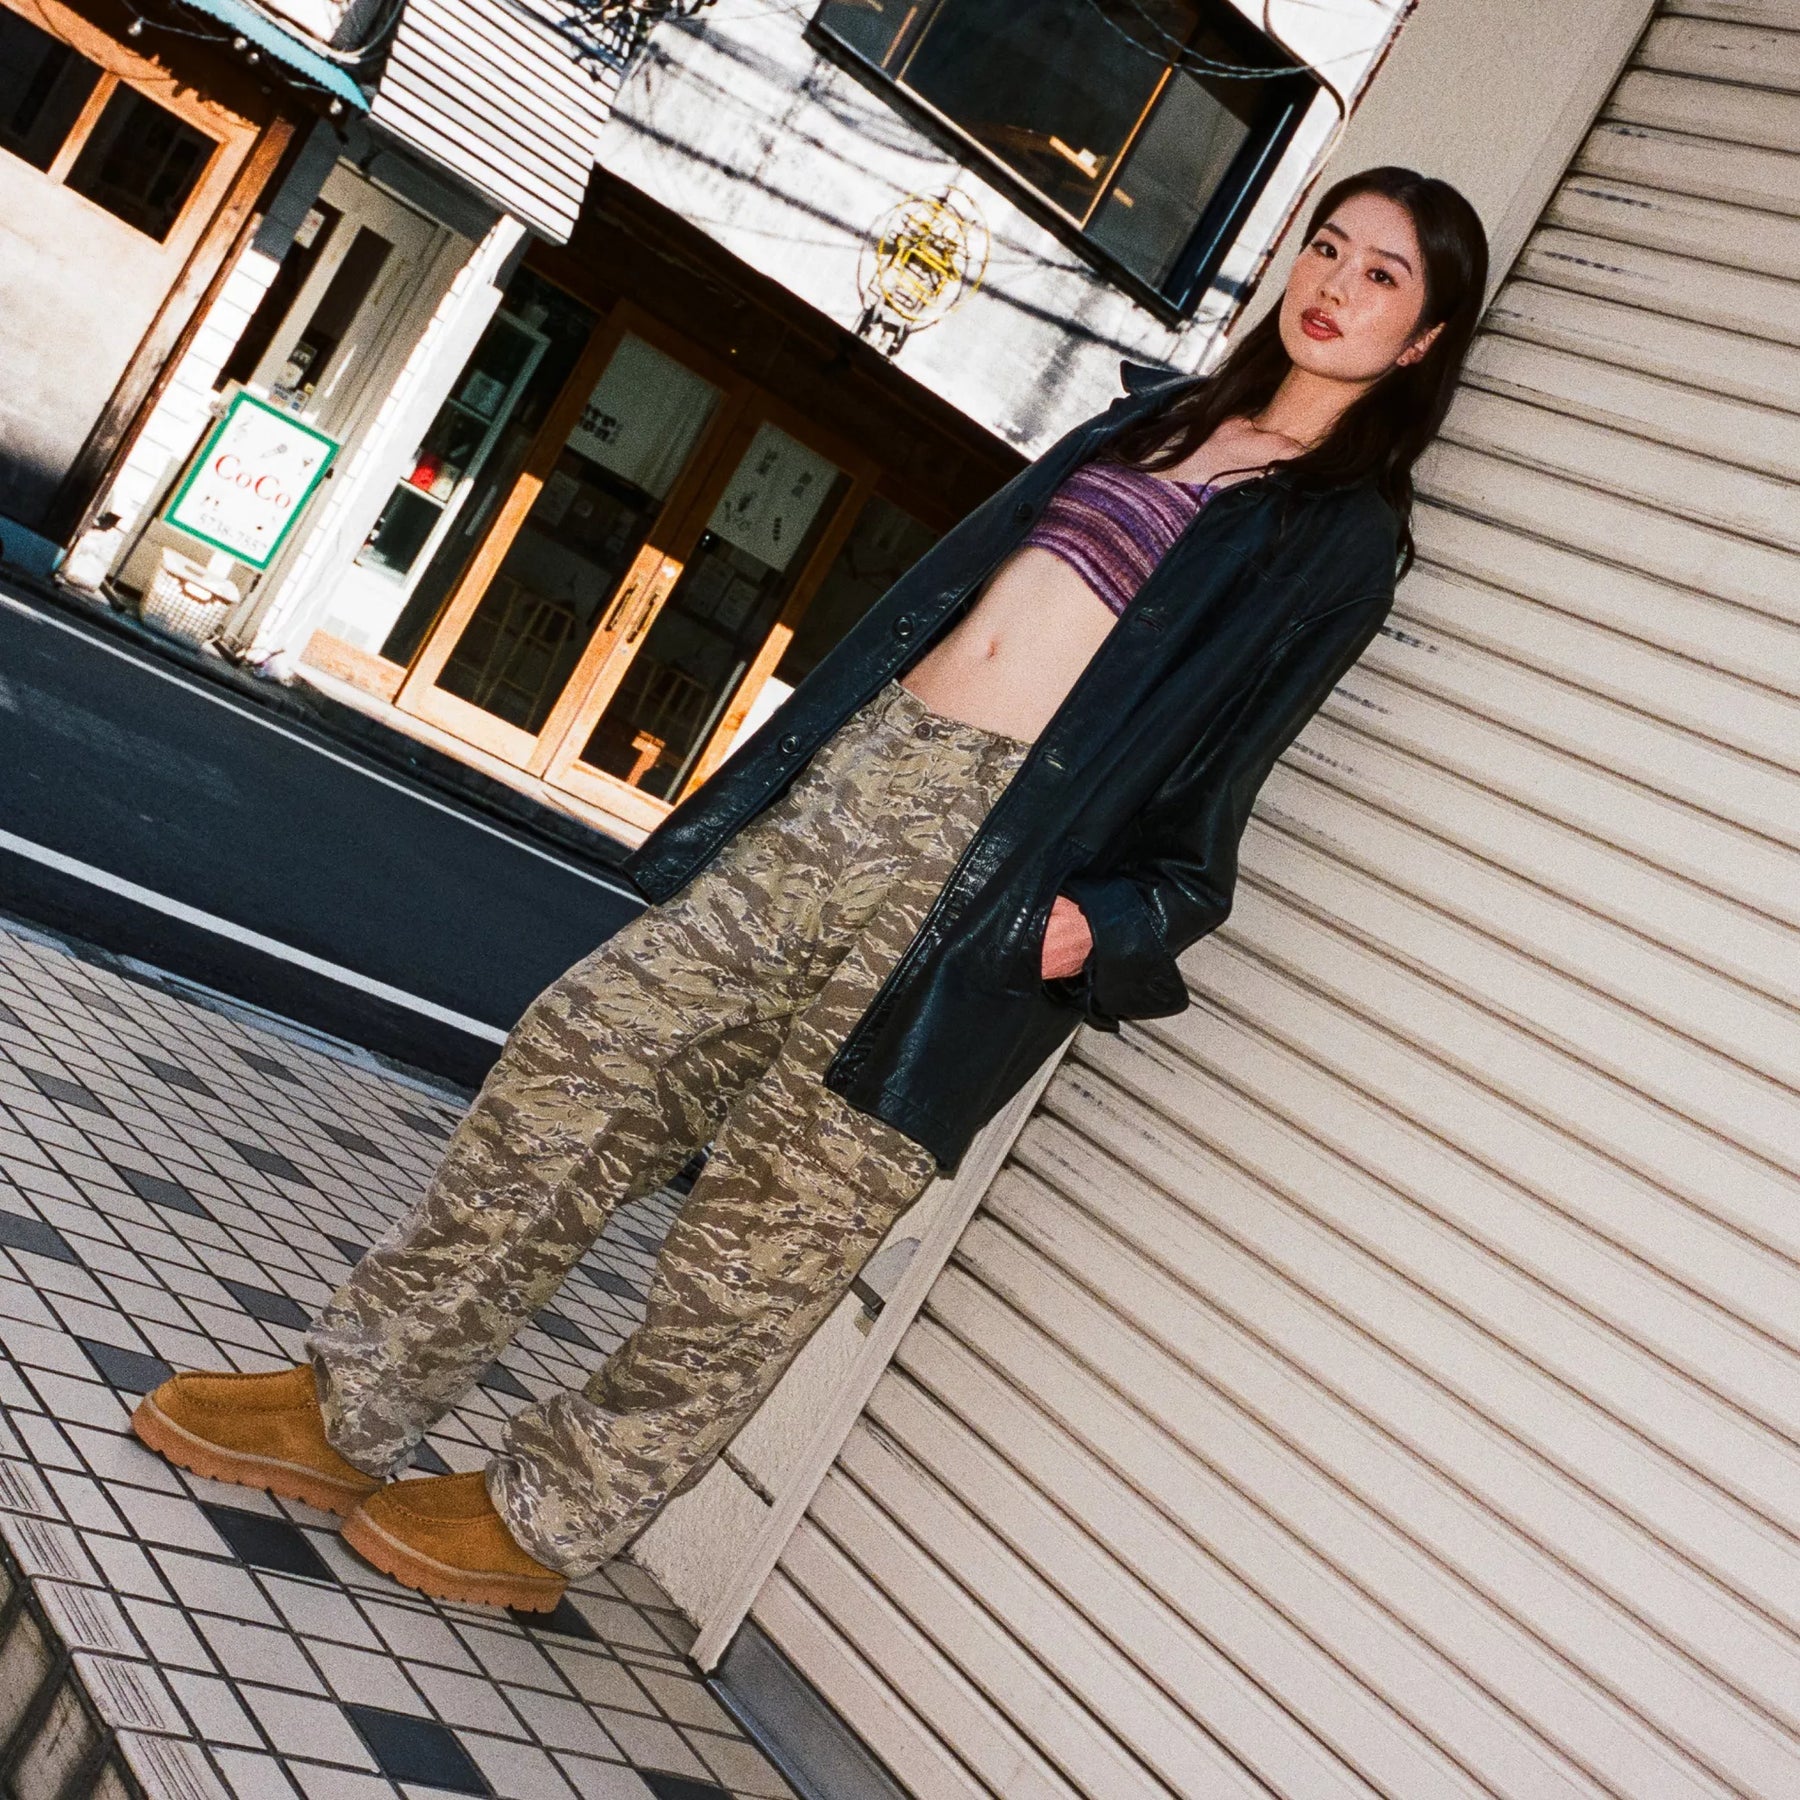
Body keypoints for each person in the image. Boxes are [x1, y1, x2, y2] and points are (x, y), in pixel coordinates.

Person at [132, 167, 1489, 1612]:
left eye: (1383, 276)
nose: (1334, 284)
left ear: (1422, 339)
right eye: (1326, 246)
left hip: (983, 885)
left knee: (767, 1237)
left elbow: (1216, 792)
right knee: (584, 1060)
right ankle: (349, 1406)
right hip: (858, 791)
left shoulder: (1340, 541)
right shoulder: (1150, 421)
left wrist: (1087, 926)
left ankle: (546, 1517)